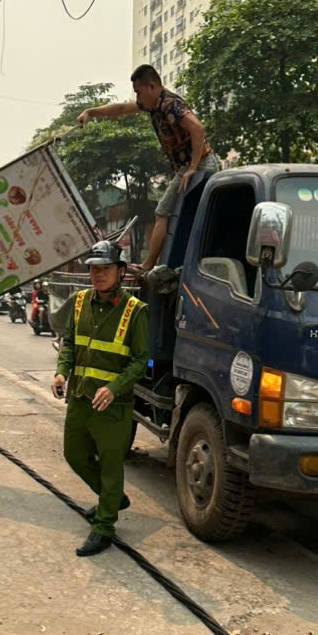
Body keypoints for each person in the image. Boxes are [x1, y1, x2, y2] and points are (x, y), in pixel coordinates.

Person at [51, 240, 148, 557]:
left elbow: (140, 361)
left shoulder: (135, 311)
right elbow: (69, 342)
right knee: (74, 455)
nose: (98, 275)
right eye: (94, 269)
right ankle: (113, 498)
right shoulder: (79, 302)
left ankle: (105, 526)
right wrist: (61, 372)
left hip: (112, 406)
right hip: (80, 397)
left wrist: (114, 387)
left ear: (120, 272)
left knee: (110, 465)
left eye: (105, 269)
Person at [77, 64, 219, 273]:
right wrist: (91, 112)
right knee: (182, 214)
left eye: (139, 92)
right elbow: (121, 109)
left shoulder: (170, 104)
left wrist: (192, 168)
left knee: (162, 211)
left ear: (152, 87)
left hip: (200, 164)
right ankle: (169, 263)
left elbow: (197, 128)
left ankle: (149, 264)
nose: (137, 97)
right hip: (190, 166)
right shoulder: (152, 106)